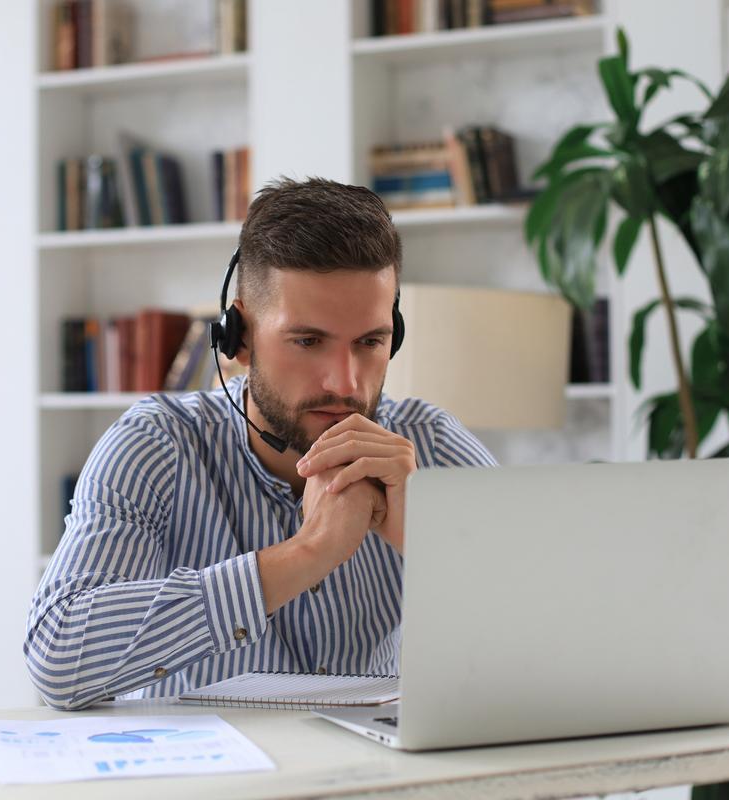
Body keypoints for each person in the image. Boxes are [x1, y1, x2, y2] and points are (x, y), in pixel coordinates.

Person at [24, 177, 497, 710]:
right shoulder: (155, 444)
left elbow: (557, 636)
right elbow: (57, 659)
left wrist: (439, 547)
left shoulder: (432, 446)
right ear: (239, 337)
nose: (344, 383)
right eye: (308, 341)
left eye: (370, 342)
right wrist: (306, 553)